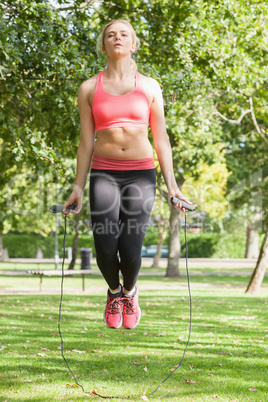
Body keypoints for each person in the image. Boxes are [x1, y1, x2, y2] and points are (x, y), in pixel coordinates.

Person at [63, 19, 192, 330]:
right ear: (104, 46)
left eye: (123, 34)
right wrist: (77, 189)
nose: (117, 38)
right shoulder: (89, 88)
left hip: (140, 175)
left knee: (131, 249)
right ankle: (113, 292)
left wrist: (172, 187)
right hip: (104, 174)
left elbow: (161, 139)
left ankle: (130, 292)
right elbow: (85, 142)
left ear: (133, 45)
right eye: (110, 35)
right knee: (105, 247)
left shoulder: (149, 86)